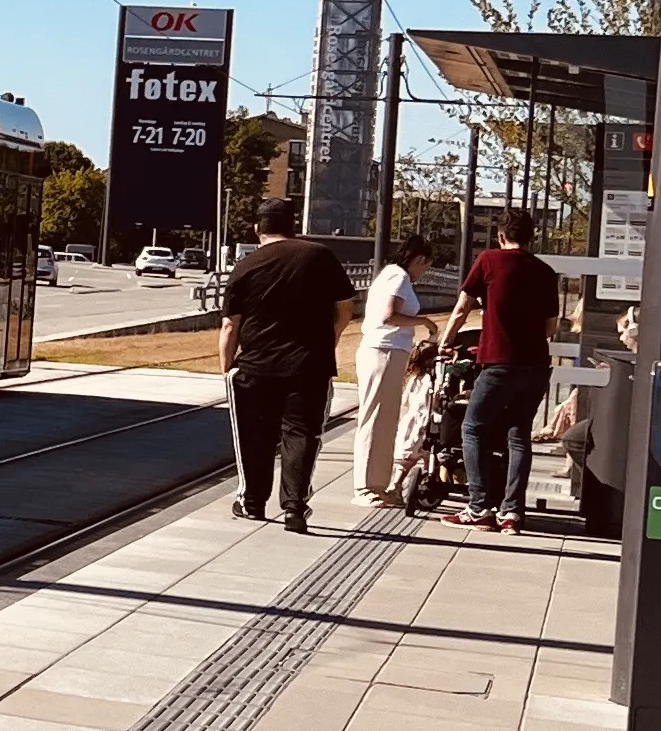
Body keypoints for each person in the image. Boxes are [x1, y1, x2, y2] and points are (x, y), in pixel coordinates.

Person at [218, 197, 355, 531]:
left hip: (256, 366)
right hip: (309, 366)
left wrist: (226, 367)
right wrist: (330, 338)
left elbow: (230, 325)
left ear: (257, 228)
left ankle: (252, 502)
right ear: (293, 226)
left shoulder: (246, 266)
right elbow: (346, 307)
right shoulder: (319, 256)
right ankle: (295, 507)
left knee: (255, 435)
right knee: (303, 435)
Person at [447, 207, 562, 529]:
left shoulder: (488, 260)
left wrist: (445, 342)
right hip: (536, 365)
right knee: (518, 435)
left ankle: (479, 506)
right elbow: (550, 328)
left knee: (473, 428)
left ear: (500, 236)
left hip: (499, 364)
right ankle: (511, 512)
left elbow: (460, 309)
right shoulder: (545, 271)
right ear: (531, 238)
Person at [353, 233, 432, 504]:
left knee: (384, 420)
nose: (424, 273)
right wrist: (425, 322)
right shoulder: (398, 277)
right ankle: (365, 486)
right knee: (375, 418)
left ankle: (377, 484)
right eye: (426, 266)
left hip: (390, 351)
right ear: (419, 259)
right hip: (383, 350)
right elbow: (390, 316)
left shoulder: (393, 275)